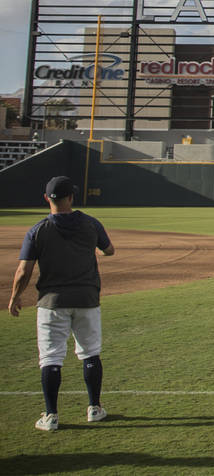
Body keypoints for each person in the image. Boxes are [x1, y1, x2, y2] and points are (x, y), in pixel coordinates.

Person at [7, 175, 115, 431]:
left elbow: (23, 271)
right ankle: (94, 408)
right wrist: (97, 249)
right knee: (90, 352)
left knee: (51, 357)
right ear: (71, 197)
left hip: (51, 302)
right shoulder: (90, 224)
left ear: (47, 199)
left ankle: (51, 415)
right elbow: (109, 250)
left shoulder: (38, 230)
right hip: (87, 298)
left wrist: (14, 297)